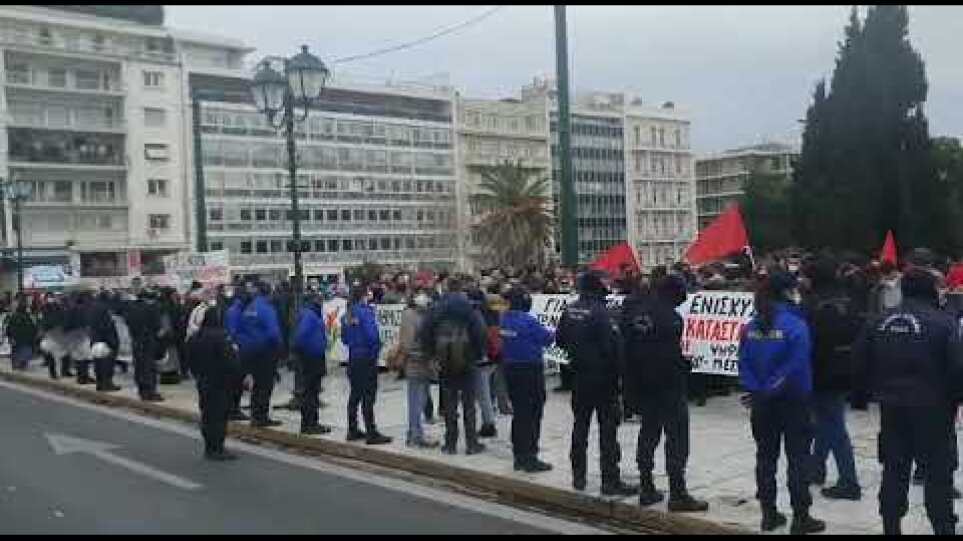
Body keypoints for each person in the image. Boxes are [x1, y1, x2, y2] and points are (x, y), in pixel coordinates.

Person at [853, 268, 963, 536]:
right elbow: (958, 367)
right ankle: (943, 526)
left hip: (892, 408)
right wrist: (956, 399)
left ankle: (891, 527)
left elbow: (858, 361)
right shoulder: (945, 323)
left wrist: (864, 396)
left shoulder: (879, 321)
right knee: (938, 475)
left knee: (894, 470)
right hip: (934, 410)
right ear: (929, 290)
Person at [738, 270, 824, 534]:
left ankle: (769, 514)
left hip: (762, 403)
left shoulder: (751, 326)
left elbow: (743, 362)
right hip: (793, 400)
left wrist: (758, 389)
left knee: (765, 458)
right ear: (788, 292)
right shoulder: (795, 324)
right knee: (798, 459)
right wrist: (774, 385)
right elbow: (796, 364)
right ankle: (801, 517)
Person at [621, 274, 708, 511]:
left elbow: (628, 350)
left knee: (648, 434)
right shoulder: (671, 318)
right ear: (674, 293)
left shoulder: (636, 313)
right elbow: (668, 357)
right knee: (677, 439)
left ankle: (646, 486)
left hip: (643, 386)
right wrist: (685, 364)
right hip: (668, 387)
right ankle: (678, 493)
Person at [556, 270, 638, 496]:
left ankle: (578, 476)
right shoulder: (603, 313)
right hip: (603, 380)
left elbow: (560, 340)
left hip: (578, 377)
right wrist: (623, 379)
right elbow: (615, 350)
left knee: (580, 427)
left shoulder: (570, 309)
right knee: (608, 431)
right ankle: (610, 480)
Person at [800, 256, 862, 500]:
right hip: (846, 369)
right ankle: (817, 468)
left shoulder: (813, 305)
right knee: (827, 422)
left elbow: (809, 343)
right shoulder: (849, 299)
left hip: (821, 372)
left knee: (834, 426)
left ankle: (849, 481)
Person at [420, 277, 487, 455]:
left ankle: (450, 443)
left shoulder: (436, 307)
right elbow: (480, 331)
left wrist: (431, 355)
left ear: (447, 288)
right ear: (461, 289)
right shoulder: (469, 307)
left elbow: (425, 332)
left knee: (449, 404)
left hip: (444, 359)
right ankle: (472, 443)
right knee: (469, 404)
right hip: (467, 358)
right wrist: (479, 354)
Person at [500, 286, 554, 472]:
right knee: (533, 414)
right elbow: (547, 339)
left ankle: (519, 455)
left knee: (520, 414)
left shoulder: (504, 320)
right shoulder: (528, 321)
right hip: (530, 370)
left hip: (510, 368)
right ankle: (530, 456)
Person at [187, 303, 241, 461]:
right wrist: (238, 378)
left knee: (207, 414)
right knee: (219, 416)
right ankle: (217, 448)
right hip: (220, 383)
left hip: (203, 381)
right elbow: (231, 361)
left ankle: (209, 446)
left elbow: (189, 359)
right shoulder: (221, 337)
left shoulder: (195, 337)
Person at [226, 282, 283, 428]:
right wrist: (278, 348)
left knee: (256, 384)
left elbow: (241, 330)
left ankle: (255, 415)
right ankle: (260, 417)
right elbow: (273, 333)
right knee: (265, 385)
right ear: (268, 293)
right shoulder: (266, 309)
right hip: (264, 351)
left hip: (248, 351)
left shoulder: (249, 308)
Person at [341, 286, 392, 445]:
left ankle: (352, 428)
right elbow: (372, 336)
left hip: (353, 357)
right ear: (363, 296)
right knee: (368, 395)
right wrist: (375, 351)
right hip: (366, 358)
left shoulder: (347, 314)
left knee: (355, 394)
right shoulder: (365, 312)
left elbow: (344, 338)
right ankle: (371, 432)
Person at [398, 289, 439, 448]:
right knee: (417, 399)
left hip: (422, 361)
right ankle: (415, 434)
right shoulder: (412, 315)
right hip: (417, 360)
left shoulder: (423, 315)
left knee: (419, 399)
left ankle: (415, 433)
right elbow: (407, 343)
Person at [292, 292, 331, 435]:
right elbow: (301, 336)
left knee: (312, 391)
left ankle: (310, 422)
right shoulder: (310, 315)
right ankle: (310, 423)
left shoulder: (309, 314)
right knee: (311, 391)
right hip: (312, 357)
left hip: (312, 356)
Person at [123, 290, 164, 402]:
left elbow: (127, 321)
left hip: (136, 340)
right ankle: (150, 392)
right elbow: (158, 327)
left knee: (139, 365)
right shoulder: (151, 308)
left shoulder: (131, 308)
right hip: (148, 340)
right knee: (149, 366)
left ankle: (142, 390)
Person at [469, 288, 498, 439]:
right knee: (488, 390)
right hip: (494, 357)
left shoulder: (475, 315)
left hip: (481, 358)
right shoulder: (493, 310)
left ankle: (489, 423)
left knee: (483, 394)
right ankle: (491, 414)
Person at [87, 291, 121, 392]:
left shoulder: (92, 307)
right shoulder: (104, 309)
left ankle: (100, 383)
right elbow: (107, 326)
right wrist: (113, 342)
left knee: (98, 363)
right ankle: (107, 384)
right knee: (107, 364)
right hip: (105, 340)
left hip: (95, 339)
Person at [6, 296, 37, 371]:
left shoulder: (14, 316)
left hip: (17, 341)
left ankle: (17, 366)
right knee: (24, 353)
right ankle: (21, 365)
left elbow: (9, 328)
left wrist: (9, 336)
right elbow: (33, 328)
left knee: (17, 353)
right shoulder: (27, 317)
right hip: (26, 341)